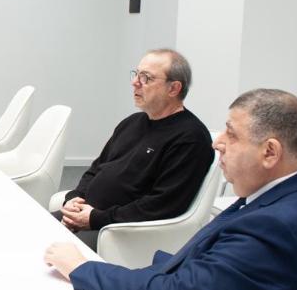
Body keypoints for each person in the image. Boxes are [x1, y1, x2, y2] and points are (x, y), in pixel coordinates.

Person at [45, 89, 297, 290]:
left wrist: (80, 268)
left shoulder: (272, 228)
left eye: (231, 134)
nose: (218, 142)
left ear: (270, 152)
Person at [53, 49, 213, 250]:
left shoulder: (190, 138)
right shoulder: (132, 122)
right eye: (136, 74)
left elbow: (162, 204)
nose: (135, 82)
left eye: (146, 78)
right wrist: (74, 199)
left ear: (173, 88)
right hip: (87, 217)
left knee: (43, 254)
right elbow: (96, 169)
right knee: (26, 230)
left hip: (118, 233)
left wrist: (95, 218)